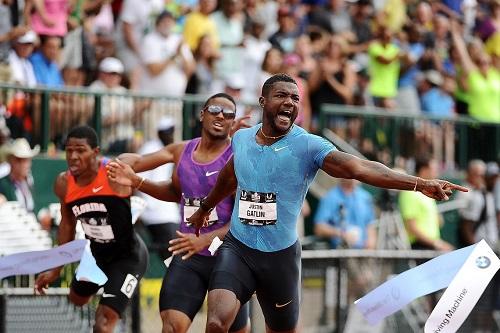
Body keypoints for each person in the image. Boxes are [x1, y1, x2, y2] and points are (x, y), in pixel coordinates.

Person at [187, 73, 467, 333]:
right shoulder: (243, 139)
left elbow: (360, 168)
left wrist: (419, 184)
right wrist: (205, 207)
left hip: (280, 257)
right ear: (263, 101)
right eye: (281, 96)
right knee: (216, 323)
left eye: (295, 98)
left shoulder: (308, 146)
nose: (289, 102)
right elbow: (230, 175)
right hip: (238, 247)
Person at [107, 93, 249, 333]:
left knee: (218, 327)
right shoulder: (181, 151)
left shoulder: (238, 159)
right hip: (189, 256)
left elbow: (244, 218)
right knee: (172, 327)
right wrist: (127, 173)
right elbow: (168, 186)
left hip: (227, 257)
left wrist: (203, 239)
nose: (221, 116)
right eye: (215, 109)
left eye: (229, 114)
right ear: (201, 114)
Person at [34, 126, 149, 333]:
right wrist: (56, 268)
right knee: (76, 299)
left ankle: (112, 305)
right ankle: (108, 303)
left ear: (95, 153)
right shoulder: (64, 183)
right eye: (69, 150)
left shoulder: (113, 172)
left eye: (80, 150)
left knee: (103, 324)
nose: (73, 156)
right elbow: (67, 225)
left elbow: (159, 157)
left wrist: (181, 153)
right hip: (95, 256)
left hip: (128, 258)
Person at [135, 117, 181, 260]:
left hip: (166, 208)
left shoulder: (172, 148)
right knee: (172, 254)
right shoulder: (150, 148)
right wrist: (142, 207)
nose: (169, 135)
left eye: (171, 132)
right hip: (153, 209)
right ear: (159, 133)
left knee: (174, 253)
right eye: (166, 132)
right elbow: (138, 179)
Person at [399, 156, 454, 251]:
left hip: (431, 247)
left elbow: (438, 222)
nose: (436, 172)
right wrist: (438, 244)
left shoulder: (428, 194)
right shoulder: (410, 193)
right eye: (434, 169)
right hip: (419, 247)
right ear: (424, 170)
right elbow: (411, 227)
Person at [314, 178, 376, 249]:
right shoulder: (330, 197)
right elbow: (319, 228)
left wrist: (370, 245)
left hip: (362, 253)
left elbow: (370, 226)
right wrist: (341, 234)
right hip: (339, 253)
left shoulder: (366, 197)